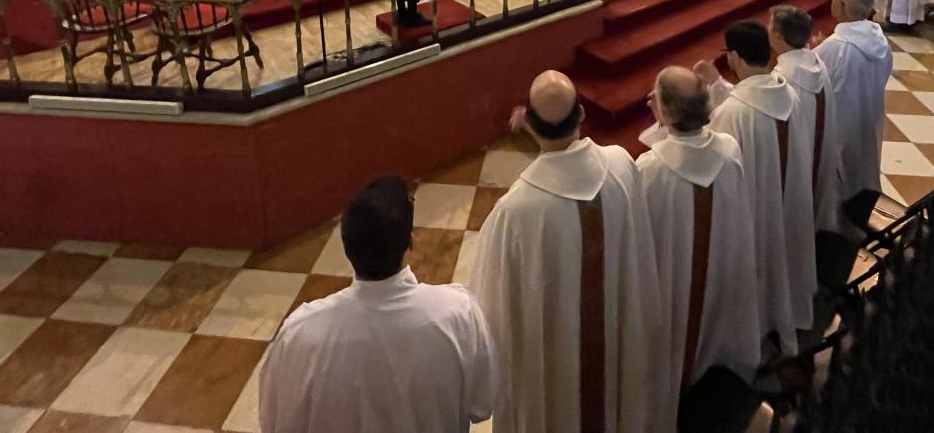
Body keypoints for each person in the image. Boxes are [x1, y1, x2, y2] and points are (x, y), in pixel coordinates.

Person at [469, 71, 662, 433]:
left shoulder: (515, 211)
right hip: (616, 349)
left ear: (531, 124)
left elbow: (490, 312)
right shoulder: (621, 165)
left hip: (553, 373)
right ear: (583, 114)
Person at [259, 176, 495, 433]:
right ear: (411, 242)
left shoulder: (300, 333)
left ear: (347, 248)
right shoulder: (459, 313)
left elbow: (274, 423)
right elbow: (482, 404)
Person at [636, 67, 763, 420]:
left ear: (664, 111)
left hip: (671, 286)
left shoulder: (650, 168)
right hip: (722, 277)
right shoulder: (729, 150)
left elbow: (641, 240)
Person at [707, 21, 799, 352]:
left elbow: (714, 164)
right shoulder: (786, 90)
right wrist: (717, 85)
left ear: (733, 56)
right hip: (786, 202)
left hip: (753, 214)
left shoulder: (734, 112)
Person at [815, 0, 894, 228]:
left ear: (842, 6)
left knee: (834, 178)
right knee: (859, 166)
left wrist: (812, 53)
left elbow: (812, 82)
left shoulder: (836, 46)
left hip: (839, 125)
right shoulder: (878, 40)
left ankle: (832, 228)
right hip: (868, 116)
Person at [770, 4, 840, 244]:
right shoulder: (817, 64)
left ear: (778, 36)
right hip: (819, 160)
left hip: (795, 170)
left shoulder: (780, 81)